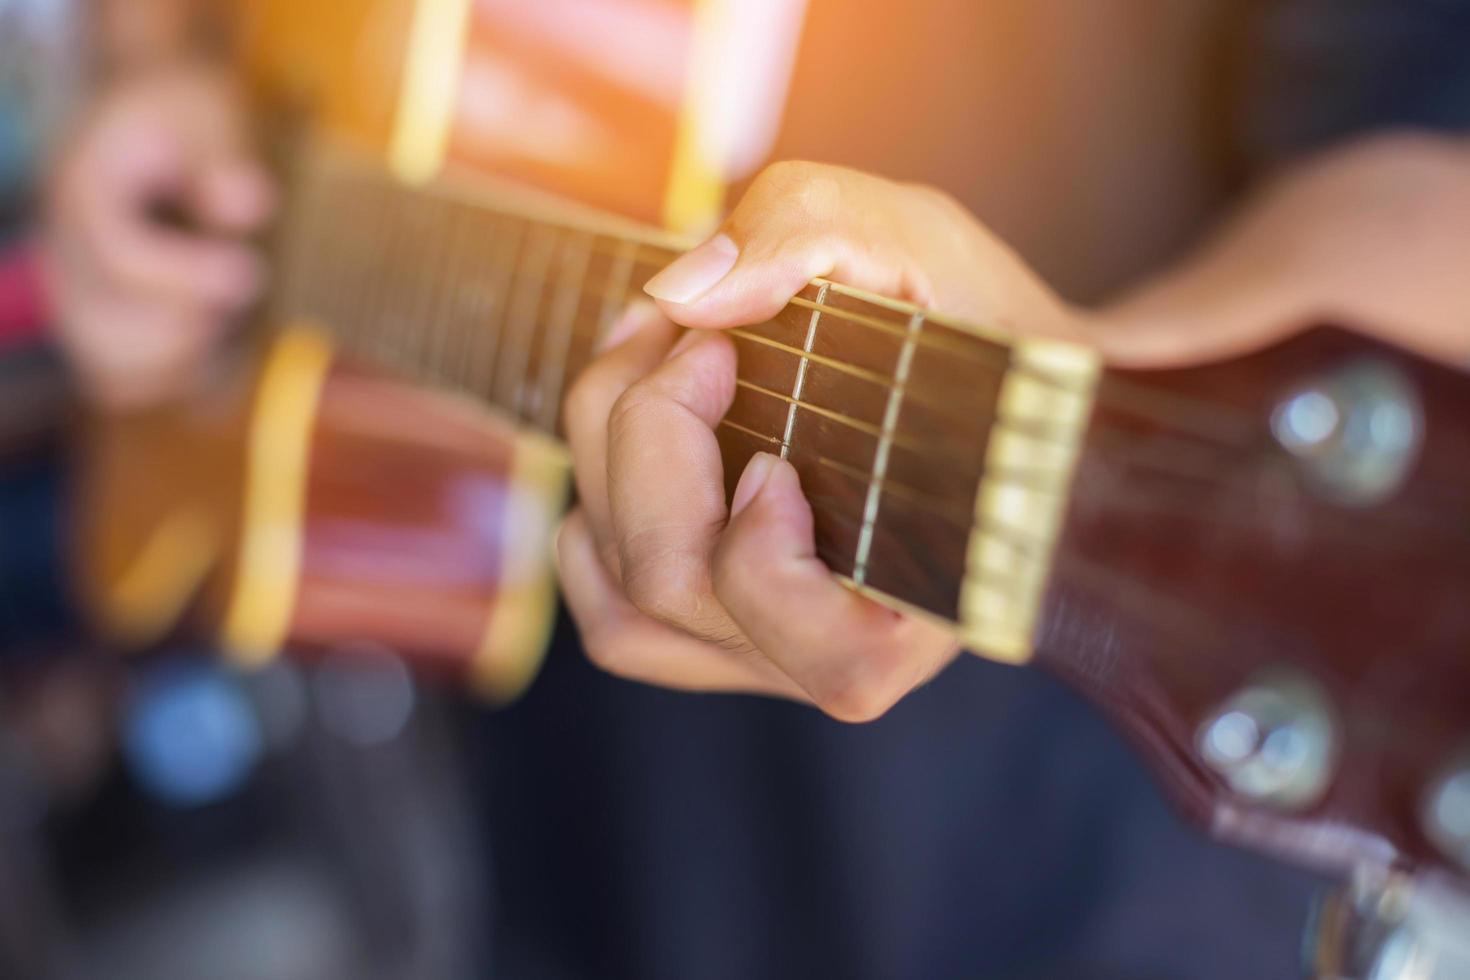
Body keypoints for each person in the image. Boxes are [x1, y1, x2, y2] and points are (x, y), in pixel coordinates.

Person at [42, 1, 1470, 976]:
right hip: (562, 792)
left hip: (1035, 836)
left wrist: (1084, 364)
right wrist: (154, 62)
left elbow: (1431, 165)